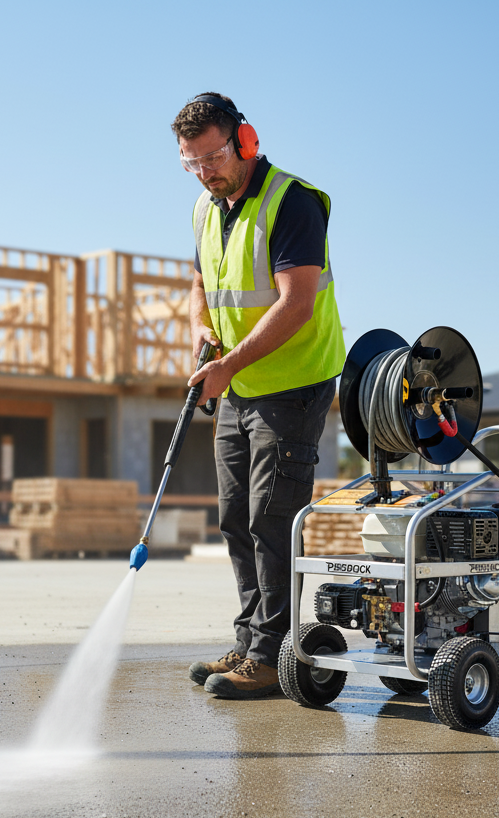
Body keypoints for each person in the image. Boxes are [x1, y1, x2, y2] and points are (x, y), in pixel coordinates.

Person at [173, 93, 345, 699]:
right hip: (240, 384)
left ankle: (272, 658)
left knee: (270, 519)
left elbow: (296, 302)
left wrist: (229, 364)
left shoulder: (293, 202)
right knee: (233, 518)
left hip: (293, 383)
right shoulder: (205, 206)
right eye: (191, 162)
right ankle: (250, 642)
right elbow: (199, 280)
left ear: (245, 140)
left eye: (214, 156)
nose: (205, 171)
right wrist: (200, 328)